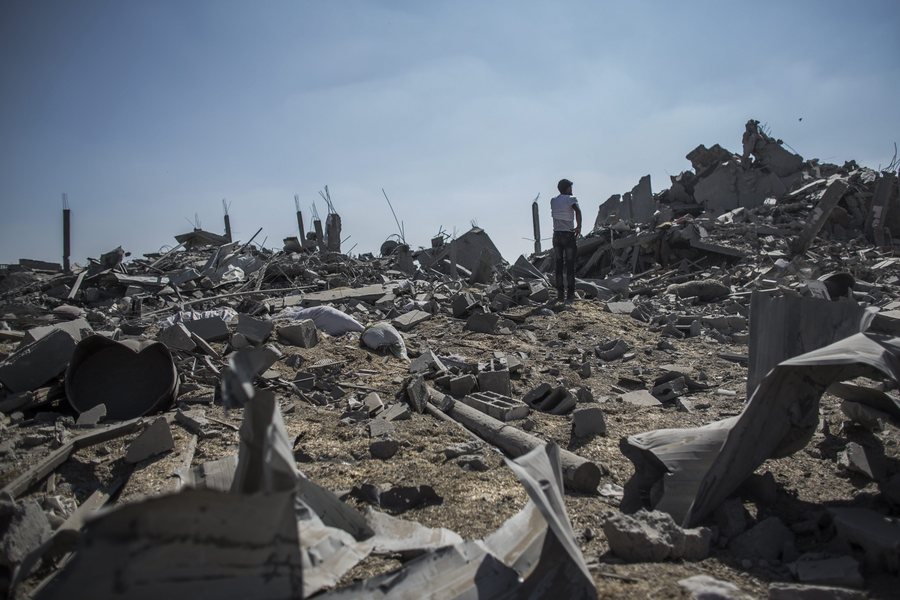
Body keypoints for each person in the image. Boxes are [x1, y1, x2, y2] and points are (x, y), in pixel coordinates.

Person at [550, 178, 582, 302]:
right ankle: (570, 294)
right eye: (571, 187)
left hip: (556, 235)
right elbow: (578, 211)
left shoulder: (553, 201)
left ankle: (560, 294)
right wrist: (579, 227)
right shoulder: (571, 199)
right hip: (568, 235)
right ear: (568, 188)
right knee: (570, 265)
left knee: (558, 265)